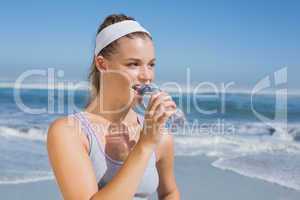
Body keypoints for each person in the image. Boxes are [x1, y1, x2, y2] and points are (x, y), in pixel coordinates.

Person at [47, 13, 180, 200]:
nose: (146, 76)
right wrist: (144, 144)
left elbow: (169, 192)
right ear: (102, 64)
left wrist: (150, 138)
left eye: (151, 65)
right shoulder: (69, 132)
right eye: (133, 64)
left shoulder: (161, 137)